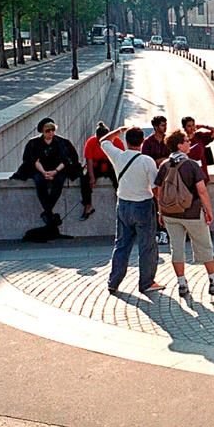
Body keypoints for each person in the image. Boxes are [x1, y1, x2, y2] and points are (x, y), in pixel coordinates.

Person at [154, 130, 214, 298]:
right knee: (204, 246)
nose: (189, 143)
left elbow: (159, 190)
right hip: (192, 213)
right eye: (187, 141)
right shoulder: (192, 165)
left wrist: (161, 211)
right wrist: (208, 211)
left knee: (176, 248)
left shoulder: (164, 165)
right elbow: (202, 191)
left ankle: (182, 284)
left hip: (170, 213)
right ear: (180, 145)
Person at [101, 126, 163, 295]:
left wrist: (118, 131)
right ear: (142, 141)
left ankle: (114, 282)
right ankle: (146, 282)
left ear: (126, 141)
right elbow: (155, 187)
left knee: (121, 245)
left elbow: (103, 141)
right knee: (147, 246)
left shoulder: (118, 156)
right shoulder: (147, 161)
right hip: (143, 205)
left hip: (123, 204)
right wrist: (162, 210)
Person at [12, 118, 82, 227]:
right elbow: (34, 160)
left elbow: (67, 159)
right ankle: (49, 212)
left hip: (59, 169)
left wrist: (55, 171)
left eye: (52, 130)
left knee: (59, 182)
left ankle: (47, 211)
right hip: (40, 169)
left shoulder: (62, 142)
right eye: (48, 131)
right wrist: (44, 172)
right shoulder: (34, 143)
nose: (51, 133)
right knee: (39, 182)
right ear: (42, 132)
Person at [79, 122, 123, 220]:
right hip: (96, 167)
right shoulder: (91, 142)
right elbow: (89, 161)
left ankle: (121, 204)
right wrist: (92, 177)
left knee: (119, 182)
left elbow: (121, 159)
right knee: (84, 180)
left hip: (111, 166)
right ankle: (88, 205)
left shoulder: (117, 142)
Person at [142, 115, 171, 245]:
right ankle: (158, 231)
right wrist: (157, 161)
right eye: (162, 125)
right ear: (155, 127)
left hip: (168, 177)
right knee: (155, 204)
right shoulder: (148, 142)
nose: (165, 128)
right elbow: (144, 160)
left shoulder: (168, 140)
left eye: (165, 125)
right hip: (153, 177)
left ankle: (168, 230)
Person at [181, 116, 214, 182]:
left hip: (201, 172)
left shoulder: (200, 136)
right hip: (188, 172)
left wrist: (203, 126)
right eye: (189, 126)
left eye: (193, 125)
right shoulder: (181, 139)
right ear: (184, 127)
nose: (192, 128)